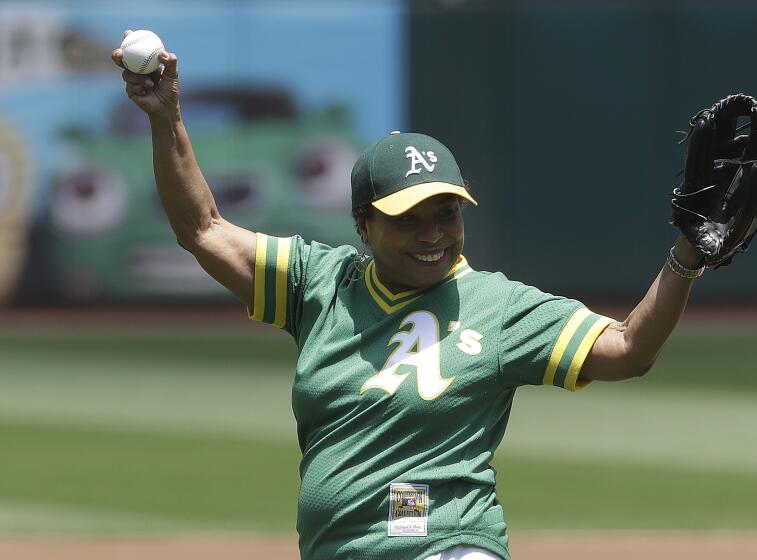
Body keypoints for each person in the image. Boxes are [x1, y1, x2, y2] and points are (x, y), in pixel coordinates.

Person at [113, 31, 704, 560]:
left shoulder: (499, 306)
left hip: (451, 543)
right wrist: (165, 117)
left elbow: (628, 348)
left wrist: (686, 256)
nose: (433, 233)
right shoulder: (317, 283)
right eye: (409, 218)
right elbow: (204, 229)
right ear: (363, 225)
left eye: (446, 212)